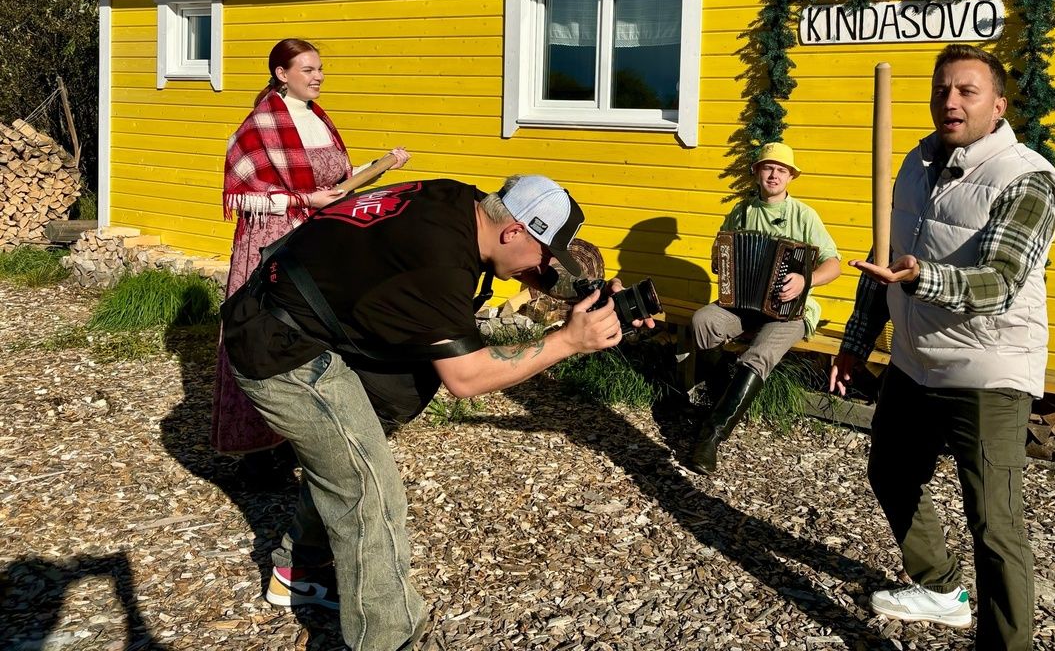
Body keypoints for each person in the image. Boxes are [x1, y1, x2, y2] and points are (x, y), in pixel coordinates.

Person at [222, 173, 646, 651]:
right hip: (282, 346)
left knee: (389, 409)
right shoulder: (437, 263)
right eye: (547, 254)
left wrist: (586, 298)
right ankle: (389, 639)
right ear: (514, 232)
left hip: (313, 312)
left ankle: (298, 566)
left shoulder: (463, 201)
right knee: (368, 489)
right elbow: (467, 378)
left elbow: (511, 263)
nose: (547, 266)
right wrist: (568, 340)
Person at [830, 44, 1055, 651]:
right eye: (941, 90)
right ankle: (940, 587)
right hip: (915, 359)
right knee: (892, 471)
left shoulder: (1027, 176)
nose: (950, 102)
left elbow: (1001, 282)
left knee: (995, 525)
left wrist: (920, 278)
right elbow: (882, 254)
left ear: (999, 104)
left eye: (967, 91)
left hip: (987, 367)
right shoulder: (915, 161)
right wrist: (857, 338)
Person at [213, 38, 409, 463]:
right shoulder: (257, 126)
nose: (318, 77)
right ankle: (259, 453)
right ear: (282, 74)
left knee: (315, 333)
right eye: (308, 70)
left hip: (317, 239)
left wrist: (381, 166)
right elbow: (240, 195)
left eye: (320, 69)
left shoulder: (320, 119)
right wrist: (300, 202)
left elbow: (333, 183)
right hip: (271, 244)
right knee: (265, 336)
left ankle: (308, 436)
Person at [687, 142, 841, 474]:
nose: (774, 175)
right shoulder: (741, 211)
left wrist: (805, 280)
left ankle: (711, 435)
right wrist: (721, 262)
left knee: (759, 354)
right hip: (744, 303)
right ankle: (720, 403)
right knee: (703, 321)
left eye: (781, 170)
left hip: (791, 309)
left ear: (790, 177)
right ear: (757, 172)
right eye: (768, 168)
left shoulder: (804, 215)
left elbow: (835, 265)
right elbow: (720, 251)